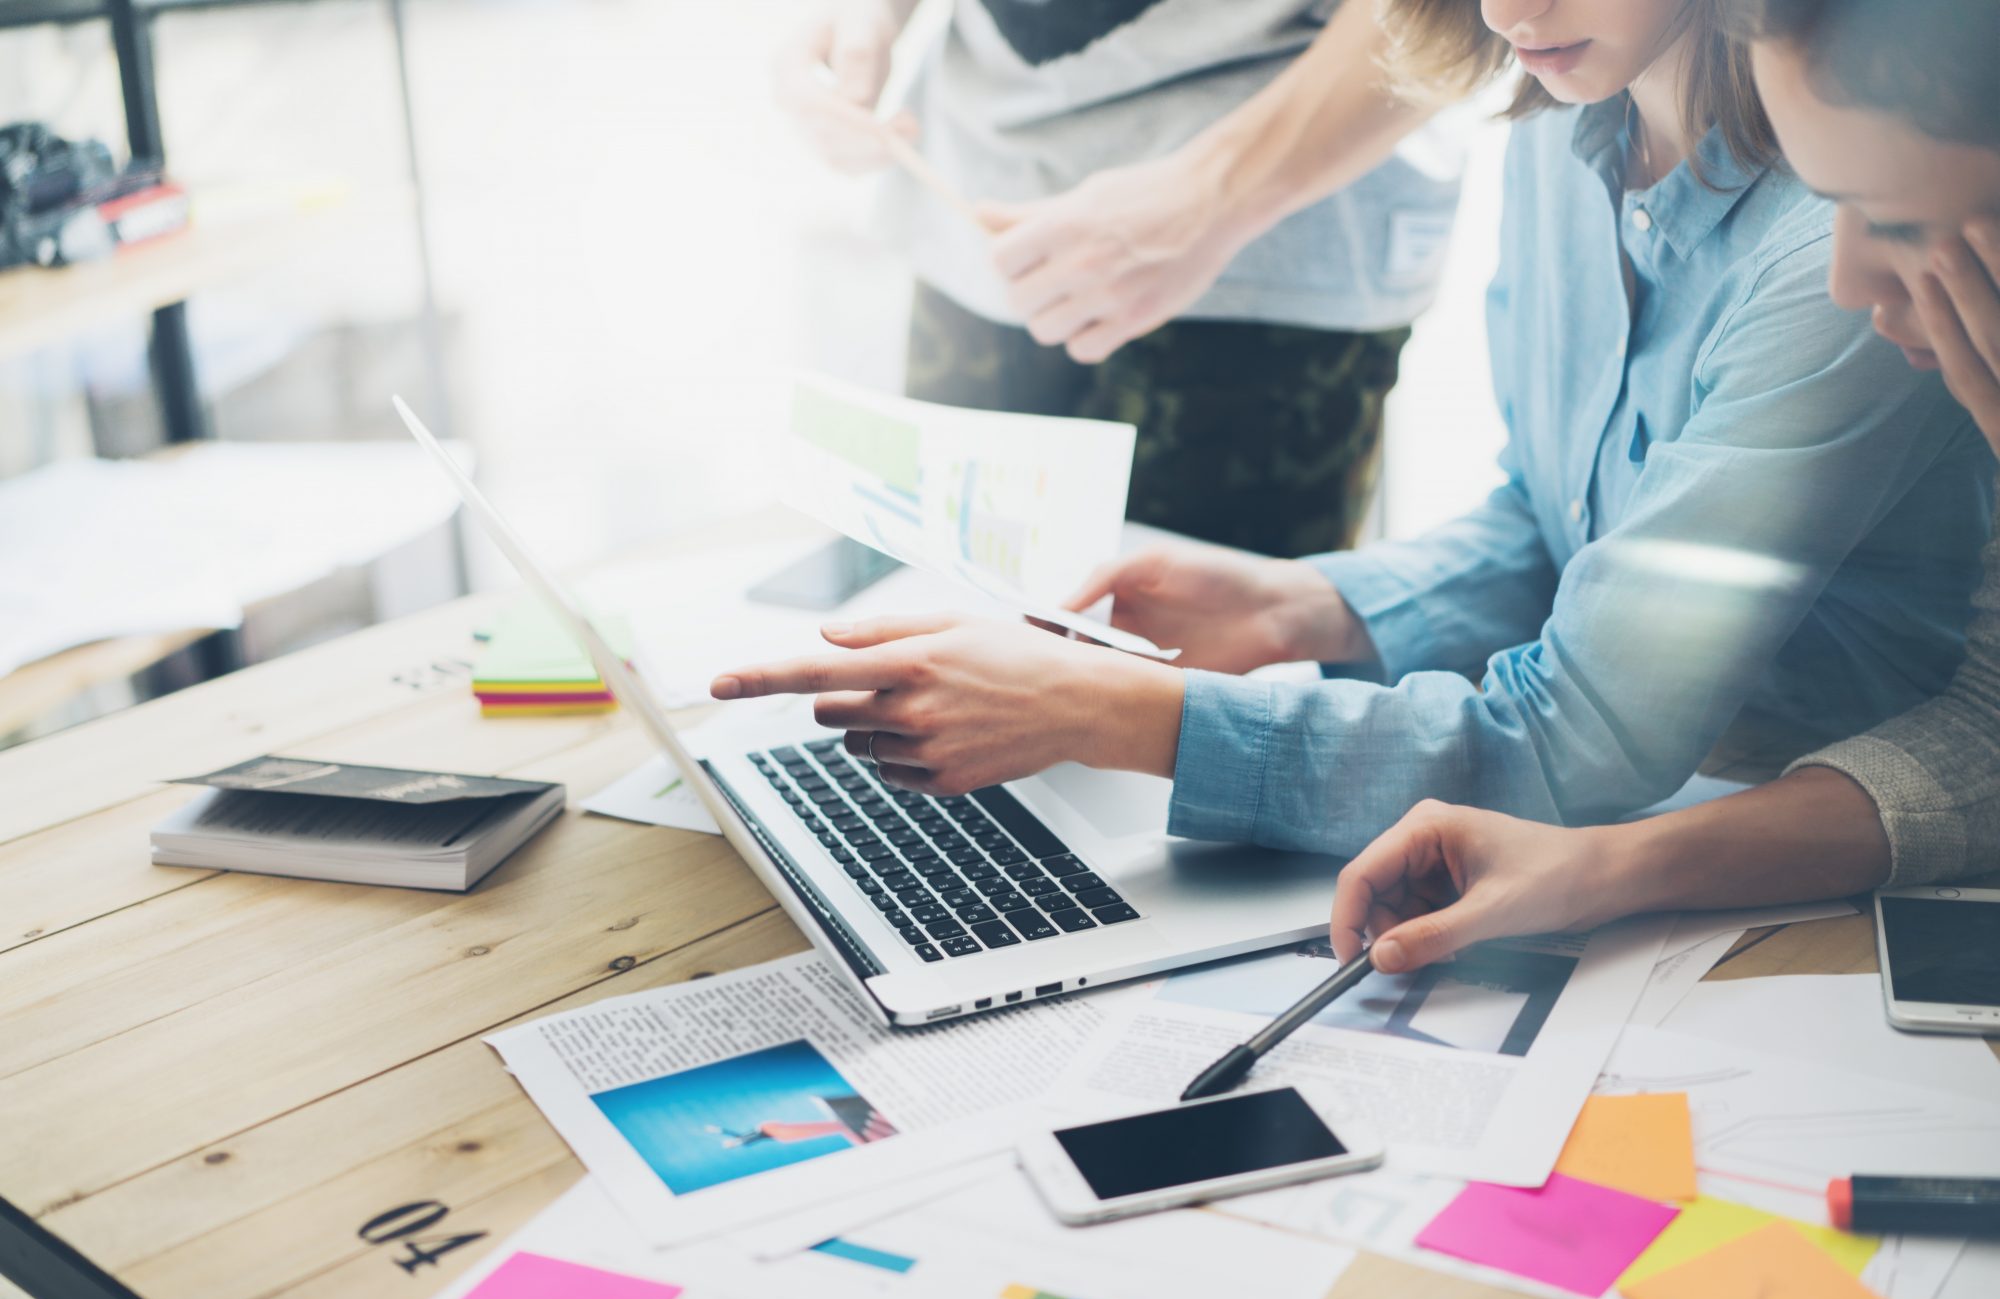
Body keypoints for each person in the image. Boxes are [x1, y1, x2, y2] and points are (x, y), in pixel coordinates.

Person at [719, 0, 1991, 869]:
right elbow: (1562, 522)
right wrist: (1307, 608)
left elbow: (1578, 741)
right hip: (1653, 818)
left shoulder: (1832, 245)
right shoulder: (1564, 114)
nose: (1502, 7)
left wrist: (1124, 717)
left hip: (1786, 836)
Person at [1327, 0, 2000, 976]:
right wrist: (1598, 868)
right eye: (1831, 200)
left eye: (1893, 219)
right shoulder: (1562, 137)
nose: (1845, 282)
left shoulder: (1807, 266)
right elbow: (1987, 734)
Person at [773, 0, 1461, 557]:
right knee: (940, 646)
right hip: (974, 218)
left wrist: (1212, 195)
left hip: (1261, 279)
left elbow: (1454, 15)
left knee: (1193, 700)